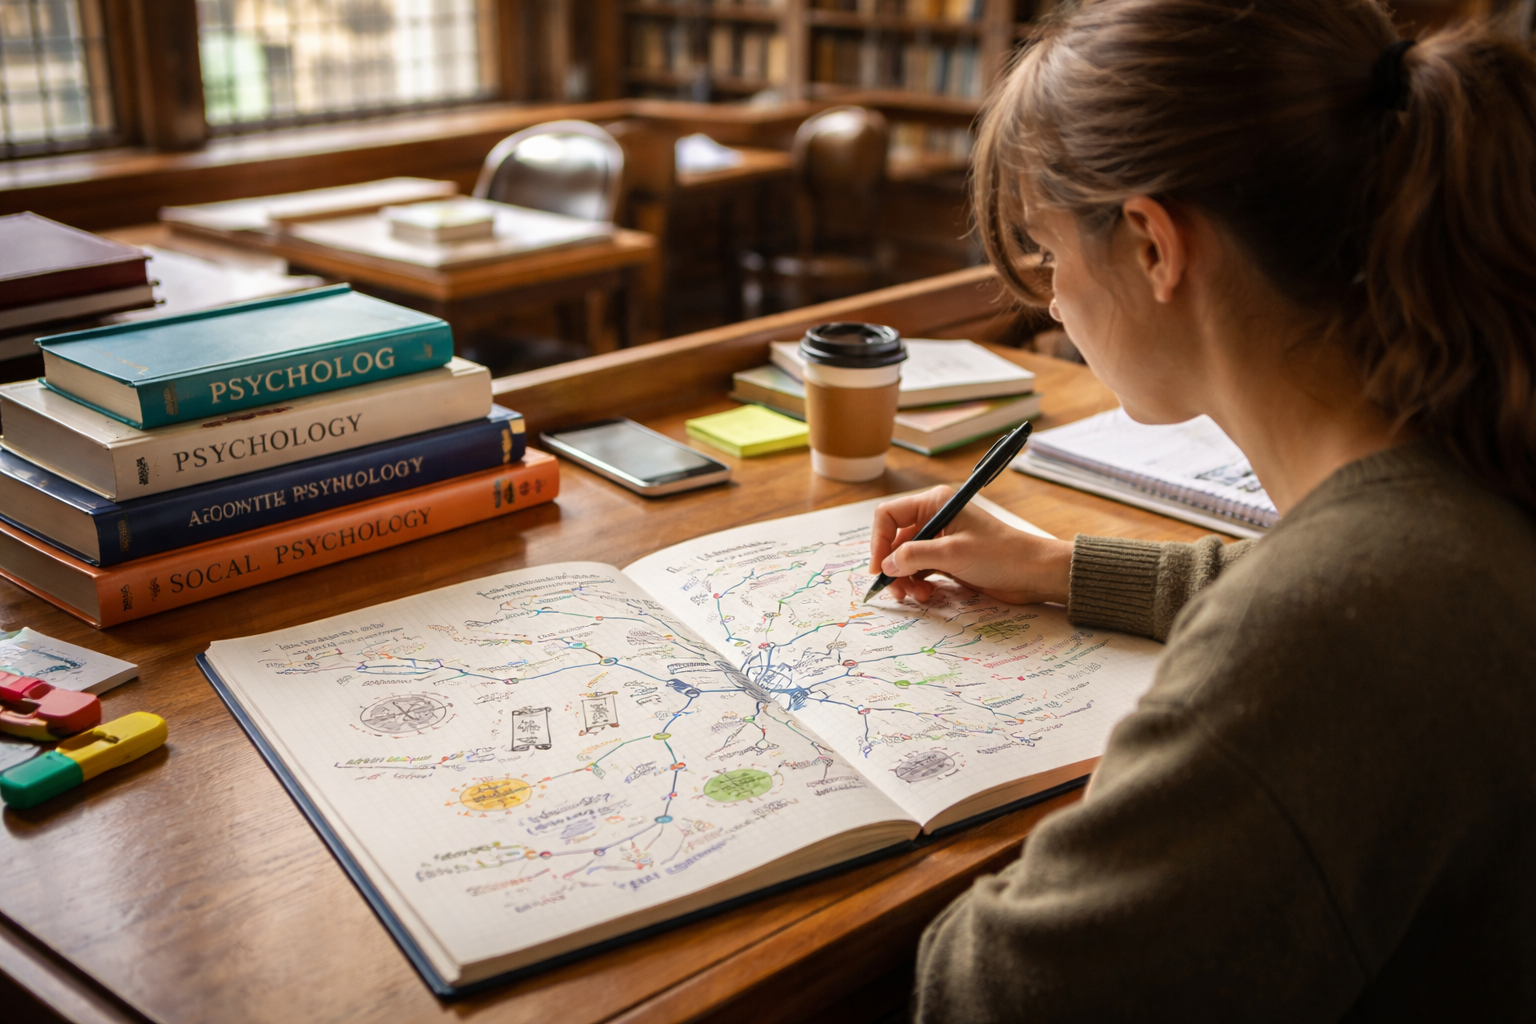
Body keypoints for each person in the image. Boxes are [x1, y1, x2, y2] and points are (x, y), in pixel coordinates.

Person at [867, 0, 1536, 1018]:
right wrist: (1058, 567)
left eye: (1048, 252)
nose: (1052, 301)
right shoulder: (1465, 442)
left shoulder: (1339, 626)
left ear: (1151, 244)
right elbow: (1339, 583)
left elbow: (999, 994)